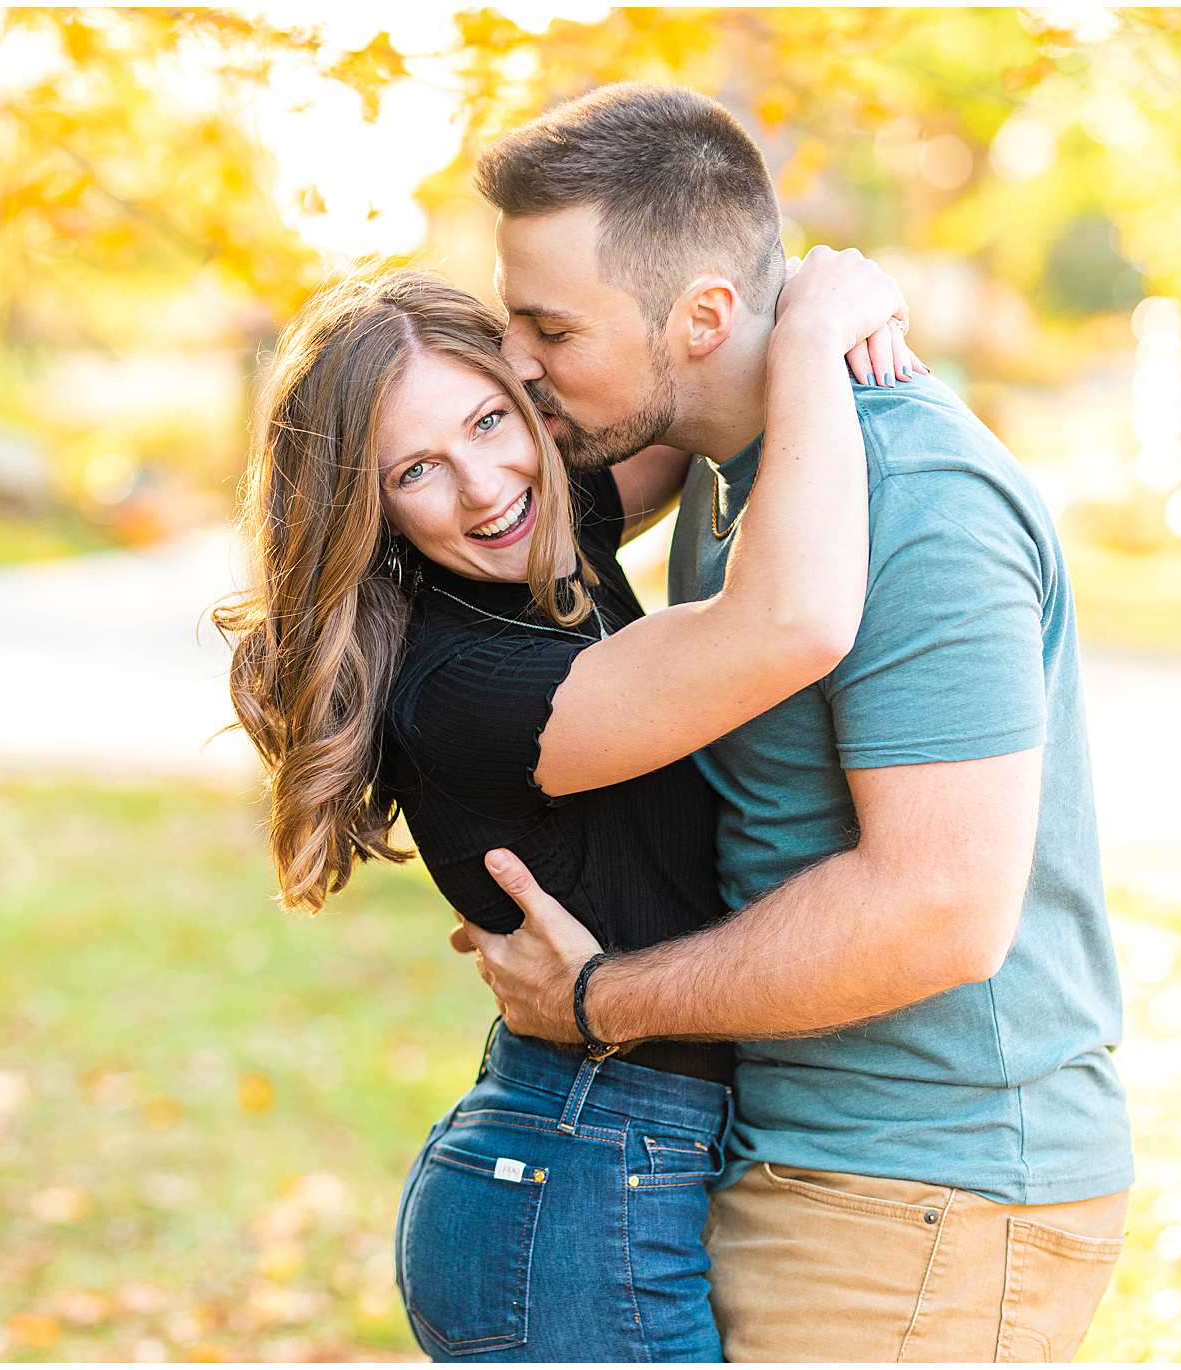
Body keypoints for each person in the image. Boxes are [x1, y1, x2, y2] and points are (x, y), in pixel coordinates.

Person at [455, 83, 1135, 1362]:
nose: (517, 362)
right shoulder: (742, 464)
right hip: (816, 1161)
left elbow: (940, 904)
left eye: (551, 326)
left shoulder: (911, 496)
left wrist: (601, 997)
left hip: (927, 1187)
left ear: (704, 316)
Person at [216, 247, 916, 1360]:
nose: (482, 487)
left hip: (602, 1161)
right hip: (574, 1186)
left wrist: (821, 287)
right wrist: (804, 341)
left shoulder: (540, 533)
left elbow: (683, 405)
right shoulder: (452, 683)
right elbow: (792, 621)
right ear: (369, 509)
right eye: (415, 471)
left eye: (489, 423)